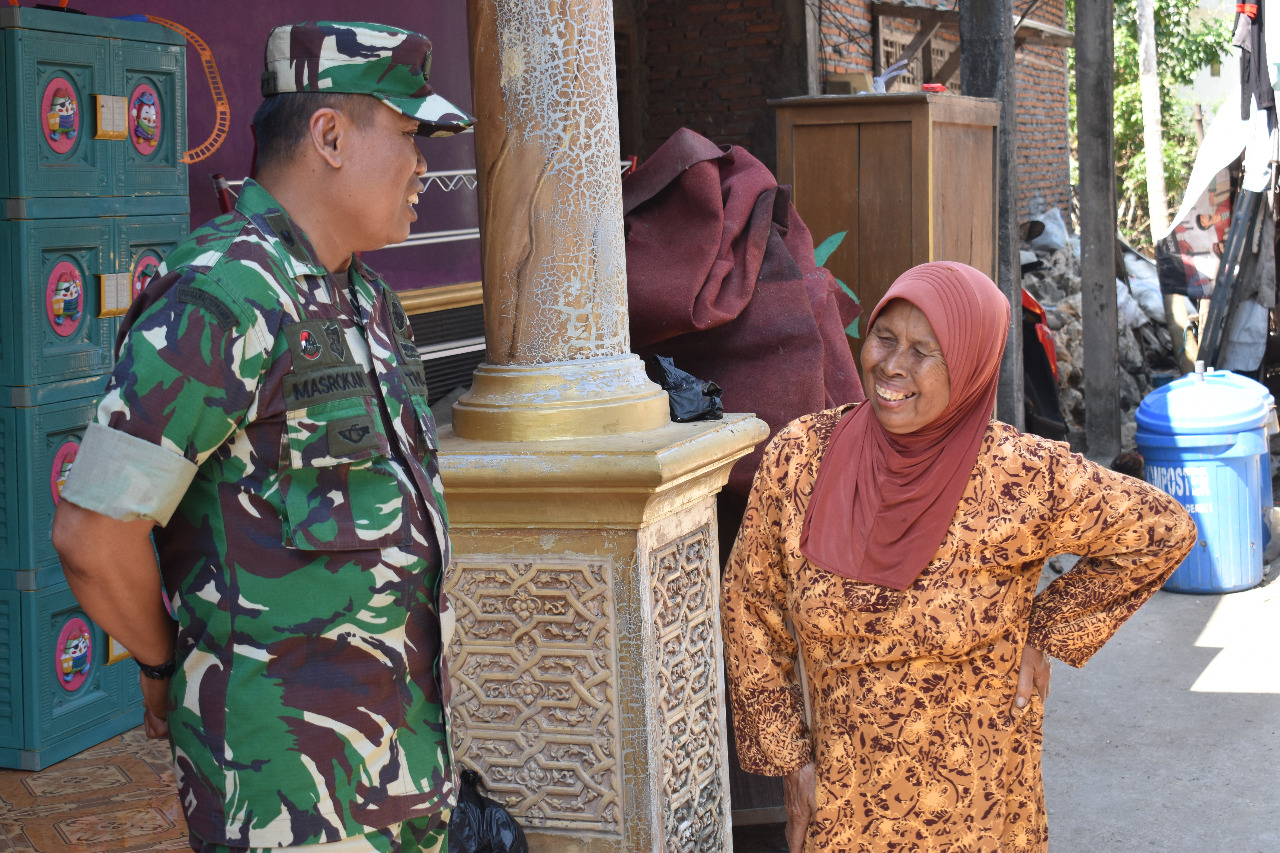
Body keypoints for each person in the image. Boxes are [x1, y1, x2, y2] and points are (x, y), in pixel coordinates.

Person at [51, 22, 473, 853]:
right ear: (330, 137)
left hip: (400, 772)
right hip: (286, 805)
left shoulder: (368, 300)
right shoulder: (222, 296)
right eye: (409, 134)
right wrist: (168, 665)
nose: (423, 165)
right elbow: (93, 533)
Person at [721, 261, 1197, 853]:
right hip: (846, 809)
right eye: (884, 338)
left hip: (983, 809)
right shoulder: (801, 459)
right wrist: (791, 766)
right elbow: (749, 608)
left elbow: (1162, 529)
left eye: (924, 351)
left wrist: (1047, 629)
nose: (892, 366)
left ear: (970, 365)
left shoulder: (1020, 476)